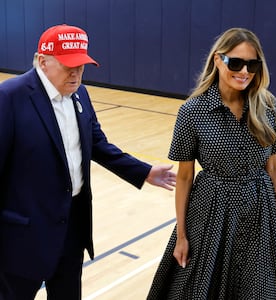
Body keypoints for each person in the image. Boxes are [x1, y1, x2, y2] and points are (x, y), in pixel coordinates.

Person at [0, 24, 176, 300]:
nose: (76, 73)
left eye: (81, 66)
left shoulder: (80, 93)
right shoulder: (10, 97)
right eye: (68, 65)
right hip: (24, 234)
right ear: (42, 61)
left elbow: (97, 144)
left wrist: (144, 172)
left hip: (71, 226)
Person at [147, 27, 276, 299]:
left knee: (256, 289)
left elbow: (273, 168)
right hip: (210, 210)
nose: (244, 71)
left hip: (258, 210)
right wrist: (181, 235)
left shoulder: (268, 105)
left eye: (252, 64)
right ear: (218, 60)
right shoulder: (192, 111)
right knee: (199, 288)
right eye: (236, 63)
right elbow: (184, 177)